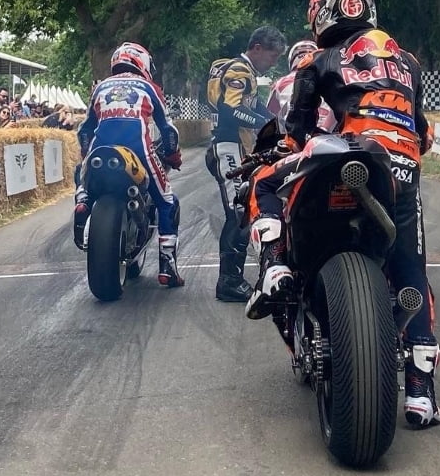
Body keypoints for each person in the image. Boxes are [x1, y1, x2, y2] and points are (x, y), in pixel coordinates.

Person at [247, 0, 440, 428]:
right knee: (411, 270)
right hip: (402, 170)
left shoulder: (319, 60)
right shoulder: (409, 62)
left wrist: (293, 146)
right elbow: (424, 131)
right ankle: (420, 394)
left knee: (263, 182)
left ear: (323, 15)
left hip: (348, 152)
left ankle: (275, 265)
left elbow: (295, 127)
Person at [75, 42, 185, 287]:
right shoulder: (149, 87)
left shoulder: (100, 87)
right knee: (167, 201)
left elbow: (84, 130)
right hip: (139, 150)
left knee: (81, 173)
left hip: (100, 149)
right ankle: (168, 267)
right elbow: (168, 131)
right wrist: (173, 156)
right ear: (142, 63)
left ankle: (82, 202)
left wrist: (85, 155)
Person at [204, 26, 286, 302]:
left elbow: (255, 106)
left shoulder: (244, 71)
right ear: (257, 48)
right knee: (238, 214)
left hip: (235, 149)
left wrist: (280, 125)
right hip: (228, 147)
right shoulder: (240, 70)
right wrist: (263, 124)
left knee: (243, 211)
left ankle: (233, 278)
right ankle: (229, 282)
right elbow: (231, 109)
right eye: (272, 56)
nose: (273, 63)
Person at [265, 39, 335, 133]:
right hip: (330, 136)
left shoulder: (280, 83)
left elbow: (269, 117)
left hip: (294, 135)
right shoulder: (332, 79)